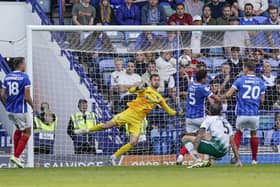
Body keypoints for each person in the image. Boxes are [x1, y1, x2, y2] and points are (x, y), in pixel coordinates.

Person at [75, 74, 177, 165]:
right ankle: (87, 130)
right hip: (129, 113)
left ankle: (114, 157)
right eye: (155, 79)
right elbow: (131, 91)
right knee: (107, 125)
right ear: (150, 81)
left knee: (133, 142)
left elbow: (169, 110)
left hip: (138, 120)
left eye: (158, 80)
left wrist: (178, 112)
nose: (157, 81)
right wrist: (137, 87)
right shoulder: (145, 88)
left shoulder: (159, 97)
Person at [223, 60, 265, 164]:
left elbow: (228, 95)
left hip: (242, 113)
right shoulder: (260, 81)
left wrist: (220, 97)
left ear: (246, 68)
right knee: (254, 134)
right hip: (254, 114)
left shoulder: (240, 80)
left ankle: (236, 158)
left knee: (238, 132)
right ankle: (254, 160)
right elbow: (263, 100)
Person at [176, 70, 220, 164]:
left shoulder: (191, 86)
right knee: (208, 137)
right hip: (200, 117)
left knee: (189, 138)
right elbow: (215, 98)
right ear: (203, 79)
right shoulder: (202, 88)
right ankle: (208, 159)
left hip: (189, 117)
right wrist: (222, 98)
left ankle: (184, 156)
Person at [180, 103, 242, 168]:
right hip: (224, 152)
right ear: (220, 111)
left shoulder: (209, 119)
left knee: (185, 138)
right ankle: (209, 161)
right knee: (206, 135)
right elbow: (233, 143)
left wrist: (195, 149)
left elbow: (200, 134)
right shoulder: (226, 122)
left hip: (215, 149)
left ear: (209, 111)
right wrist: (238, 160)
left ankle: (198, 160)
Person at [1, 57, 34, 168]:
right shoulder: (25, 77)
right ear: (20, 64)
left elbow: (2, 95)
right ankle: (16, 156)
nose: (25, 66)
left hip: (10, 110)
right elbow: (27, 96)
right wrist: (33, 107)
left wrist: (9, 104)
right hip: (21, 110)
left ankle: (16, 155)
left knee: (19, 129)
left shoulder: (7, 76)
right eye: (24, 64)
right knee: (28, 132)